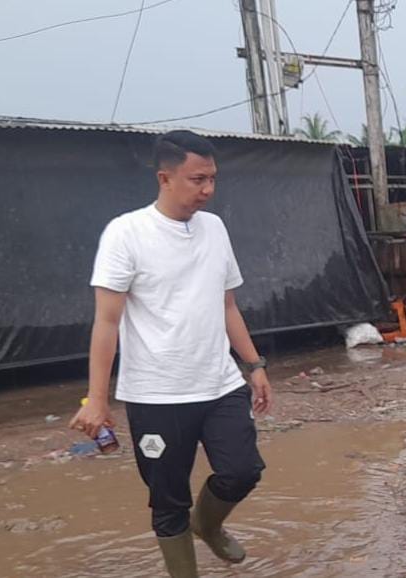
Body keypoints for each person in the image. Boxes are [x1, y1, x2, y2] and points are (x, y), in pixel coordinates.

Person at [69, 130, 273, 578]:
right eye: (197, 179)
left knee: (242, 471)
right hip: (156, 396)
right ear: (165, 177)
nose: (208, 189)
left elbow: (227, 306)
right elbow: (106, 323)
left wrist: (254, 364)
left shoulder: (215, 229)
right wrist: (98, 399)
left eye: (213, 179)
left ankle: (208, 523)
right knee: (168, 501)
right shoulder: (127, 234)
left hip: (220, 384)